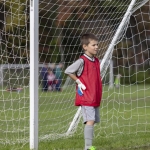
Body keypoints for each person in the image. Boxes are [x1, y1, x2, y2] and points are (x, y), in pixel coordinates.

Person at [65, 33, 102, 150]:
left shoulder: (96, 60)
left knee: (92, 121)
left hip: (94, 96)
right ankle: (88, 147)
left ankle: (89, 146)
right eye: (93, 45)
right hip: (86, 97)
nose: (96, 47)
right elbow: (68, 71)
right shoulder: (82, 61)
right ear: (85, 46)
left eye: (97, 45)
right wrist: (78, 82)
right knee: (90, 120)